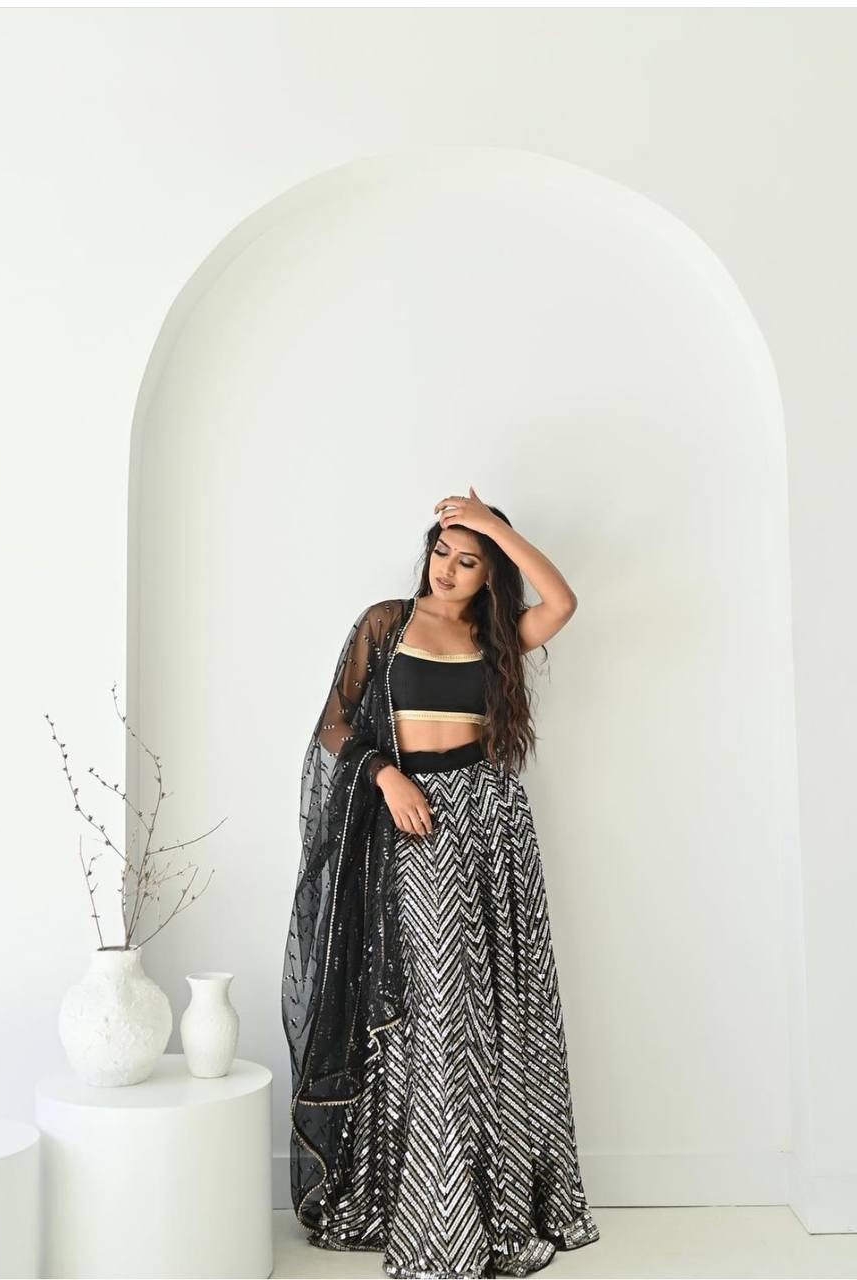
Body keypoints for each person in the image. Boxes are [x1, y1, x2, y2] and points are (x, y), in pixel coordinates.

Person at [282, 486, 601, 1279]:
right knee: (437, 1005)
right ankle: (431, 1206)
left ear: (490, 574)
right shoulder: (385, 624)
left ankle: (492, 1195)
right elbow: (334, 725)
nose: (448, 570)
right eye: (442, 552)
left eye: (468, 561)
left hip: (491, 823)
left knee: (496, 1006)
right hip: (414, 822)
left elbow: (562, 602)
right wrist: (385, 775)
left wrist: (492, 526)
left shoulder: (497, 637)